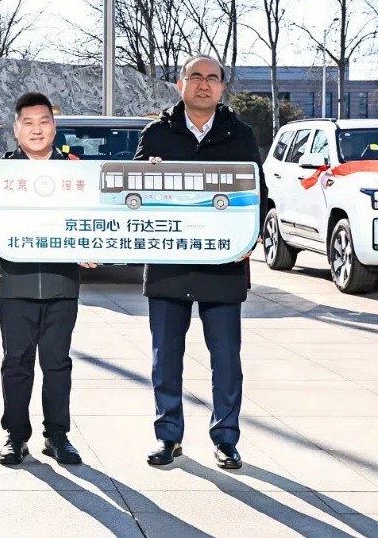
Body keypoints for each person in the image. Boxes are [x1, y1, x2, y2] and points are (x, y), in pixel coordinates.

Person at [133, 54, 266, 471]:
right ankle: (168, 435)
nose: (204, 84)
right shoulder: (157, 133)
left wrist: (251, 236)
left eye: (212, 78)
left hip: (222, 264)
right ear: (180, 84)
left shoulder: (239, 134)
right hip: (169, 263)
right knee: (165, 358)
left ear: (222, 87)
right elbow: (131, 193)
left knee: (226, 359)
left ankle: (226, 439)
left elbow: (259, 194)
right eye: (195, 77)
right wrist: (147, 175)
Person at [0, 92, 98, 467]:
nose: (37, 129)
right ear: (16, 129)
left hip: (62, 283)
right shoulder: (3, 171)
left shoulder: (75, 172)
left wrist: (93, 244)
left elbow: (94, 214)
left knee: (58, 363)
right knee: (16, 362)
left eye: (44, 122)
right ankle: (15, 435)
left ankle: (57, 435)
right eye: (28, 123)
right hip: (16, 283)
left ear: (54, 127)